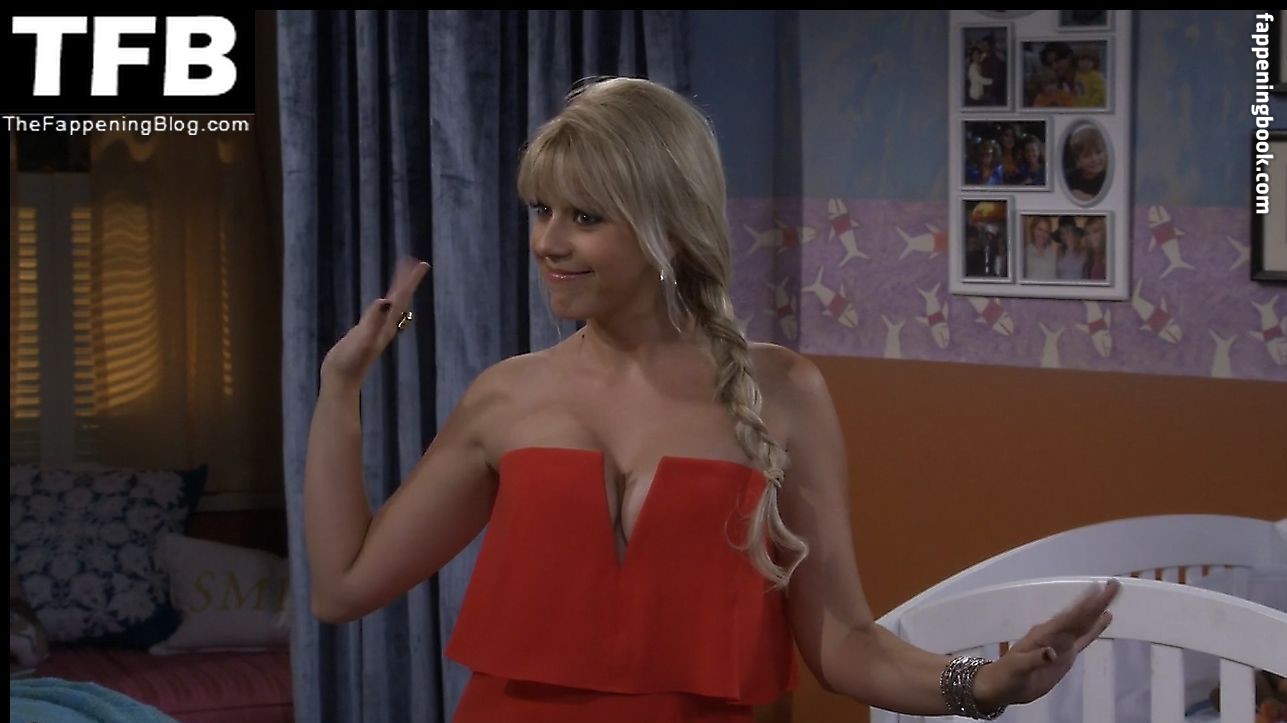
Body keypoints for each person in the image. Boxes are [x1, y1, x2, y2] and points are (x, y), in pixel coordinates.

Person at [304, 76, 1119, 722]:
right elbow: (343, 586)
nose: (548, 241)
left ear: (668, 227)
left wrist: (983, 682)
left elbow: (844, 643)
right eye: (541, 210)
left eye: (584, 217)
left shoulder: (783, 393)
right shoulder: (504, 397)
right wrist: (338, 387)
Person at [1064, 126, 1108, 203]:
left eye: (1098, 152)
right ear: (1078, 161)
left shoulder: (1107, 179)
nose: (1094, 159)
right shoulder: (1068, 178)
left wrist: (1091, 198)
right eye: (1087, 155)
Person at [1054, 216, 1089, 280]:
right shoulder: (1059, 250)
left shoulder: (1084, 252)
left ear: (1074, 232)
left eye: (1067, 231)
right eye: (1062, 233)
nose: (1065, 235)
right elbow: (1057, 275)